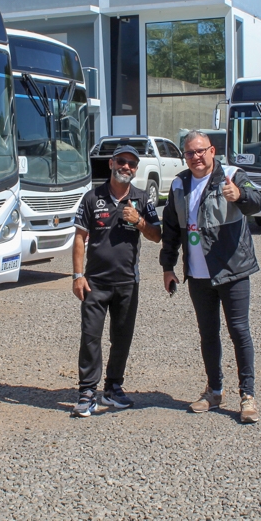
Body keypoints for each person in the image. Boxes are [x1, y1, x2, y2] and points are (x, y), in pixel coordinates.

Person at [160, 130, 261, 423]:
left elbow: (258, 202)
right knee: (208, 335)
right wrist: (168, 267)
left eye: (201, 150)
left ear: (212, 150)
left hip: (232, 270)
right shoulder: (179, 184)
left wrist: (240, 195)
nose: (196, 157)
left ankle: (248, 395)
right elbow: (170, 230)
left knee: (239, 332)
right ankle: (214, 391)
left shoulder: (232, 175)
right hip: (198, 274)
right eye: (190, 152)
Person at [70, 144, 161, 417]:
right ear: (111, 164)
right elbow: (79, 238)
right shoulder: (91, 198)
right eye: (122, 161)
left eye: (132, 164)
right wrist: (77, 276)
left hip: (127, 283)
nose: (127, 167)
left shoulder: (142, 199)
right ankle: (87, 393)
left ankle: (113, 388)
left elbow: (157, 235)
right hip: (95, 282)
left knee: (122, 339)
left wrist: (139, 221)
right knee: (90, 338)